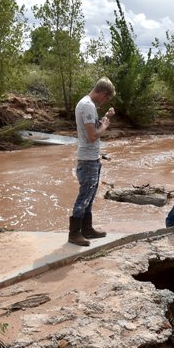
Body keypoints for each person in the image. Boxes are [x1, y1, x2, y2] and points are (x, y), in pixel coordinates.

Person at [69, 77, 116, 247]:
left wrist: (104, 118)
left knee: (89, 196)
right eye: (107, 98)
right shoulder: (88, 106)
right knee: (84, 197)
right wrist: (105, 126)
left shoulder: (87, 104)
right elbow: (92, 136)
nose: (105, 102)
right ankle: (74, 234)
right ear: (103, 93)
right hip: (88, 160)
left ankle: (87, 229)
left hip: (91, 158)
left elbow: (92, 128)